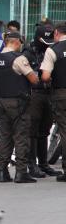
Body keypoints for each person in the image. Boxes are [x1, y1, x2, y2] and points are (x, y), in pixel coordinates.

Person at [0, 31, 39, 183]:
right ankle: (21, 172)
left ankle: (2, 172)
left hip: (2, 102)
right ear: (17, 42)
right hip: (18, 103)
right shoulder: (19, 59)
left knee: (5, 137)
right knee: (21, 137)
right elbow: (34, 80)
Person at [23, 22, 62, 178]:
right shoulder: (27, 53)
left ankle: (43, 164)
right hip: (34, 95)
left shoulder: (51, 51)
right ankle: (31, 165)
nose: (48, 46)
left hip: (49, 94)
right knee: (32, 130)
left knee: (44, 131)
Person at [40, 22, 66, 182]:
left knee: (64, 131)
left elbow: (45, 76)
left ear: (56, 33)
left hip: (61, 94)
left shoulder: (52, 50)